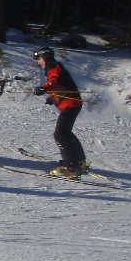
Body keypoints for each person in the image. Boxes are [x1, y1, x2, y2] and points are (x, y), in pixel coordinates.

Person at [33, 46, 88, 177]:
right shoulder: (54, 67)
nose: (38, 62)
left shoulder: (54, 68)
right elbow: (60, 85)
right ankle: (79, 161)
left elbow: (53, 81)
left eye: (39, 59)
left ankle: (70, 166)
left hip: (70, 105)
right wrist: (52, 97)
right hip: (72, 104)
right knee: (66, 133)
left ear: (45, 57)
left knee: (60, 135)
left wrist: (43, 88)